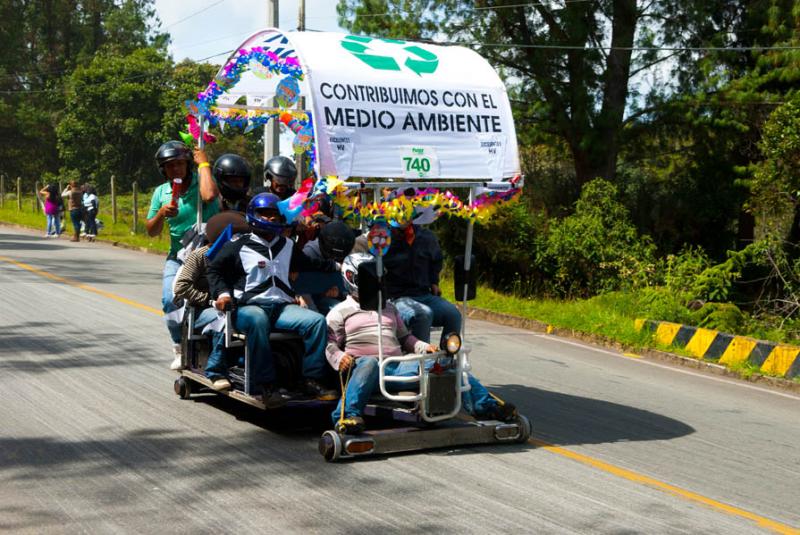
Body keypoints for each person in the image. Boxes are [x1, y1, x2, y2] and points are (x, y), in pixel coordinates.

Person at [326, 253, 516, 434]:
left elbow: (405, 339)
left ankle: (487, 406)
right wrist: (340, 357)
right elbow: (330, 345)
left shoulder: (389, 307)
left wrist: (425, 348)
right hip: (365, 370)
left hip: (395, 367)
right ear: (351, 278)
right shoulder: (340, 311)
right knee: (370, 363)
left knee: (446, 362)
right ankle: (346, 416)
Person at [206, 192, 339, 407]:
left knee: (315, 321)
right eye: (264, 214)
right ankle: (266, 384)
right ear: (253, 214)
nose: (270, 219)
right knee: (259, 320)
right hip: (248, 308)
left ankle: (312, 379)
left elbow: (309, 263)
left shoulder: (286, 245)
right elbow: (214, 269)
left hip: (281, 308)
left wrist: (337, 266)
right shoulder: (238, 244)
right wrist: (222, 294)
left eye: (274, 215)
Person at [147, 140, 220, 369]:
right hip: (177, 256)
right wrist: (161, 213)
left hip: (208, 252)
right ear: (163, 169)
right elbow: (151, 231)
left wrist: (204, 163)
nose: (175, 169)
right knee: (171, 298)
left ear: (188, 164)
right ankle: (179, 345)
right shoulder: (161, 192)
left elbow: (209, 196)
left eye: (180, 164)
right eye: (170, 166)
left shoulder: (202, 180)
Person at [173, 211, 250, 391]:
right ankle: (215, 371)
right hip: (202, 310)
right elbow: (181, 287)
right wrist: (209, 300)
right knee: (221, 318)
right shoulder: (200, 255)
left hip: (234, 304)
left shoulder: (240, 254)